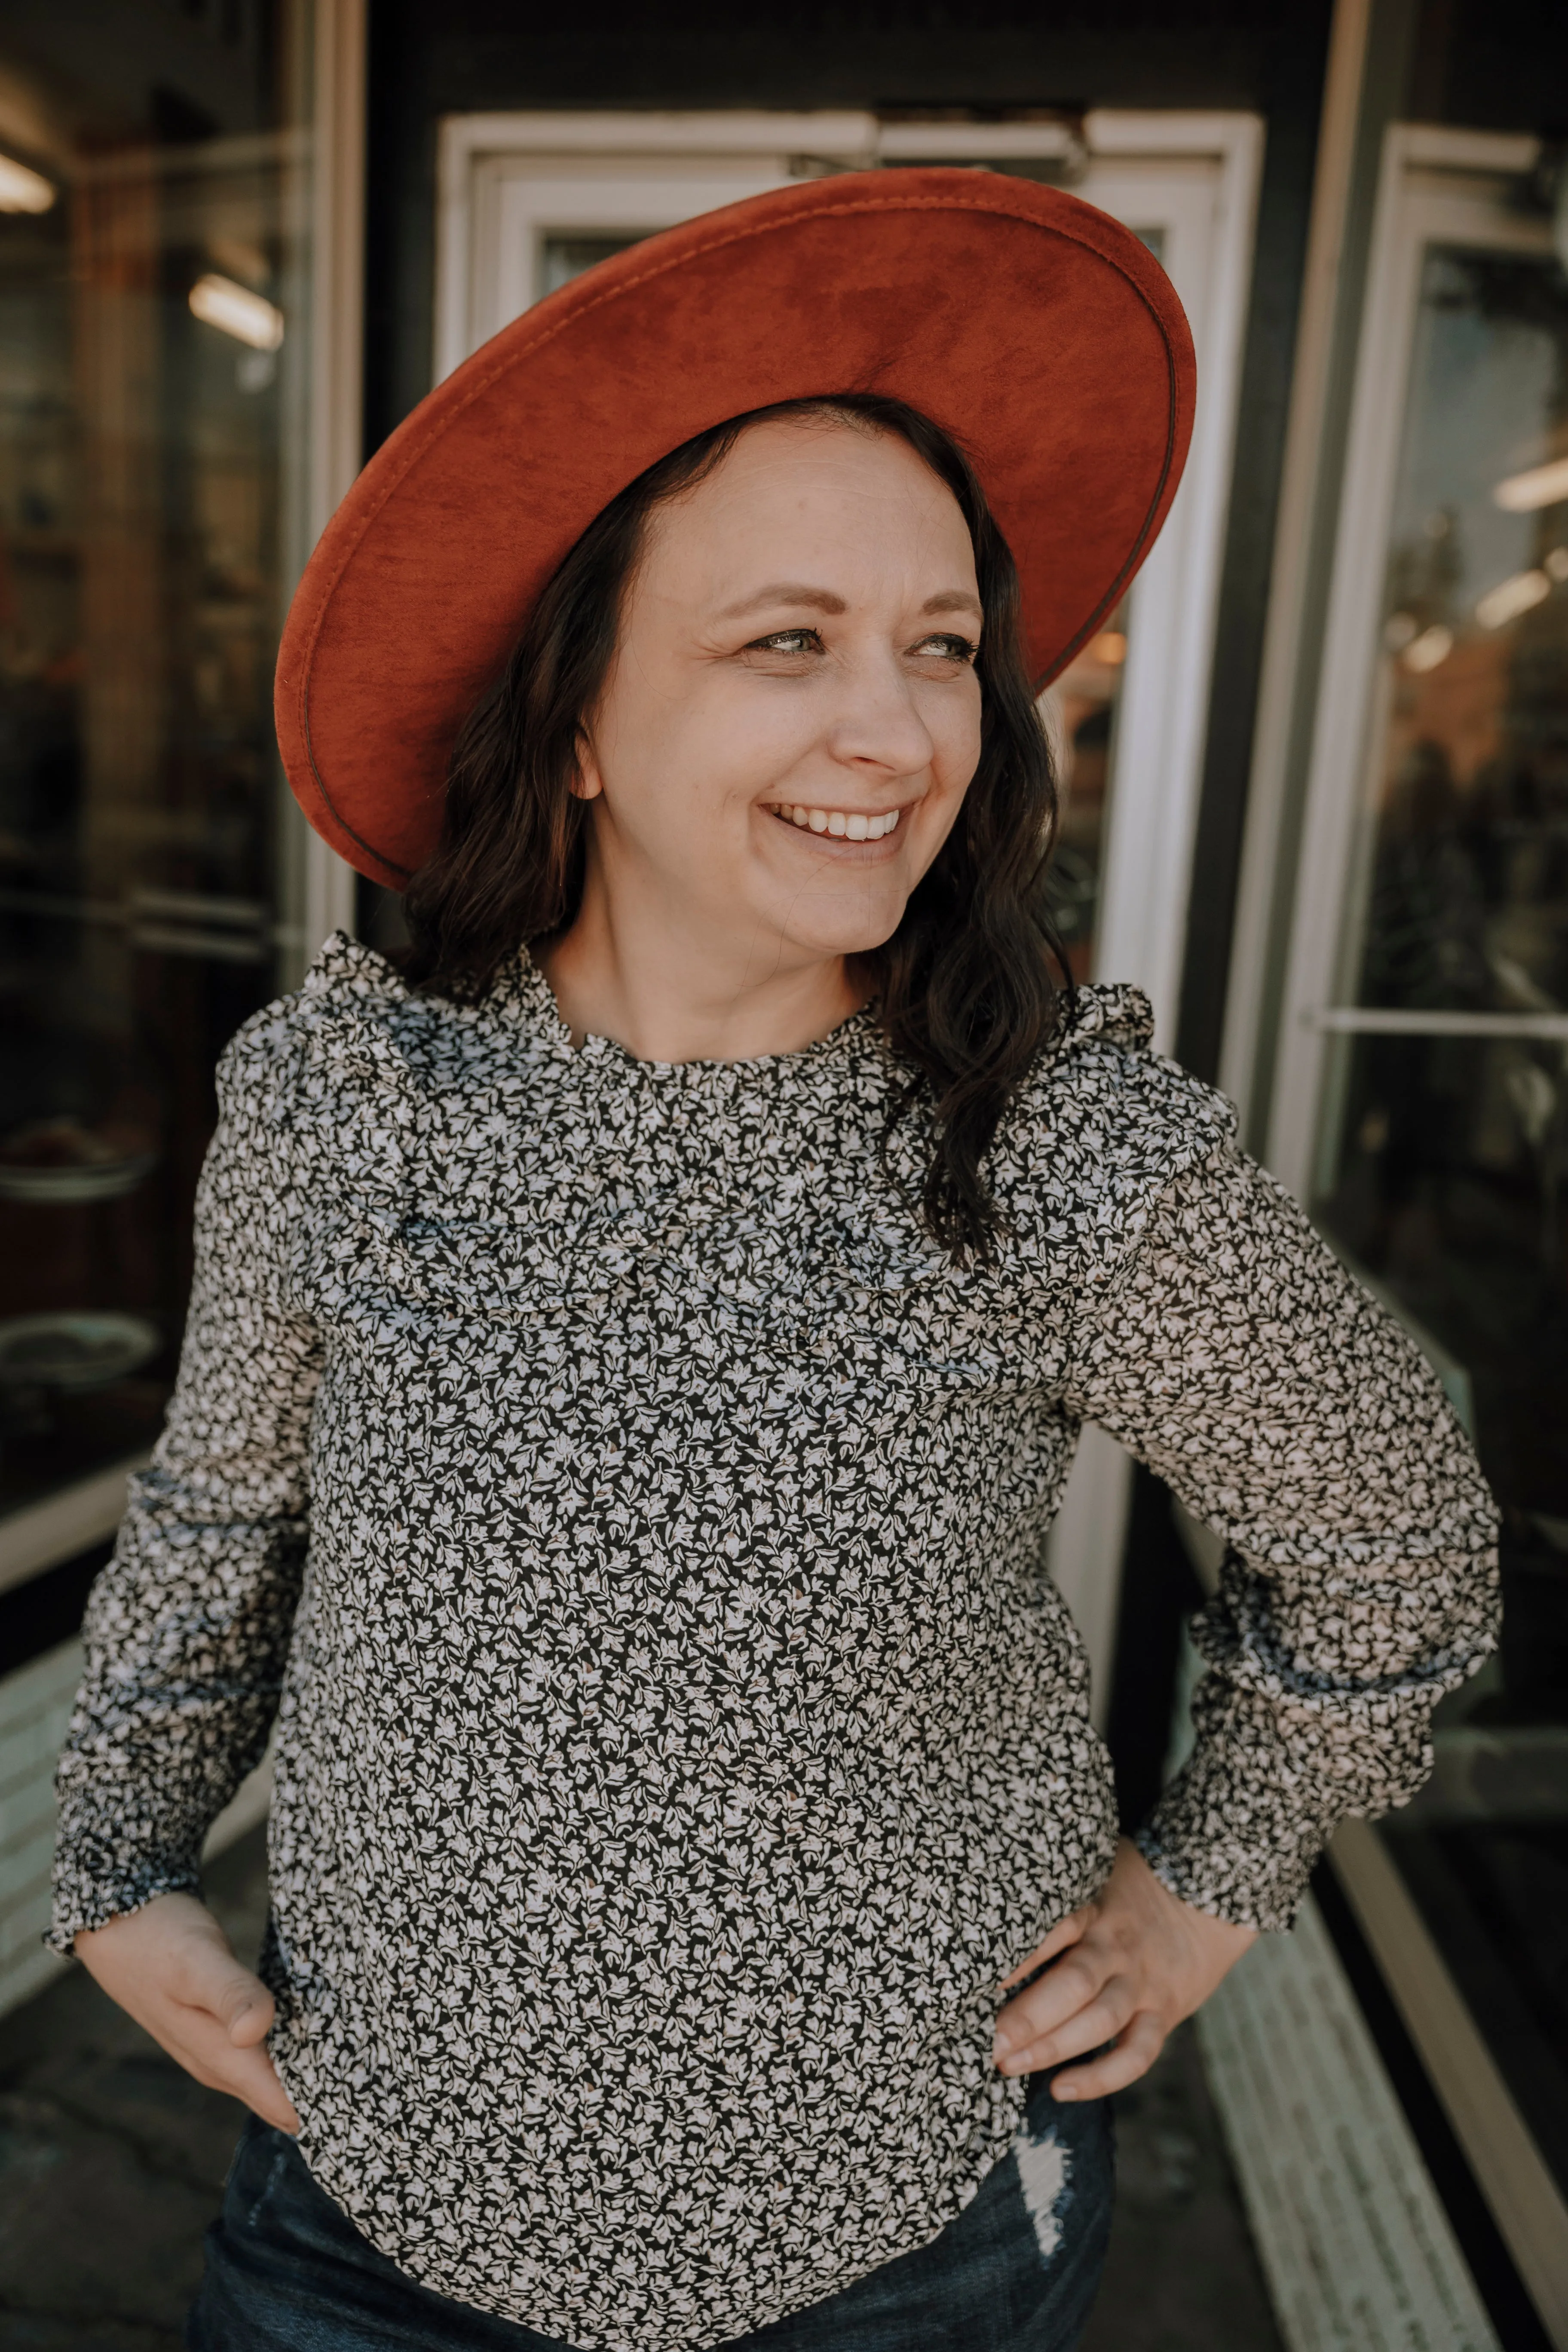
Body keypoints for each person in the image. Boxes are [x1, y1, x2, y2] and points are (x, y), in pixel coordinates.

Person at [51, 172, 1498, 2352]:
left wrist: (1204, 1892)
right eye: (786, 641)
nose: (905, 735)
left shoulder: (1053, 1145)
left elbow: (1399, 1538)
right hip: (364, 2211)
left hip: (897, 2246)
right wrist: (117, 1876)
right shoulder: (347, 1096)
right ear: (575, 725)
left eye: (940, 649)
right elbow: (223, 1518)